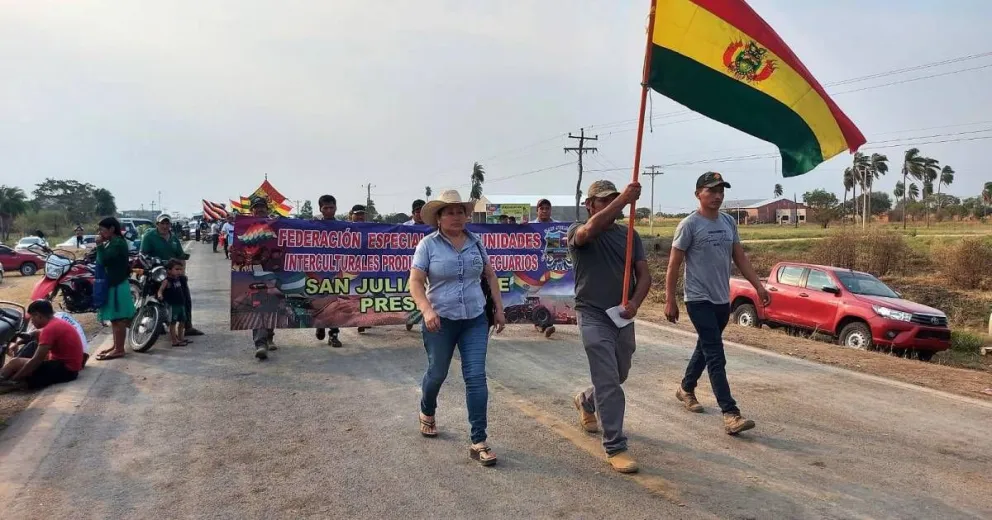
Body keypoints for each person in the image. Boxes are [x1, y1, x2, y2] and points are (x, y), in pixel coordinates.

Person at [666, 172, 769, 436]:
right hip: (697, 298)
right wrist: (670, 299)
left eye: (721, 190)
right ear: (698, 193)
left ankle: (686, 388)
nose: (717, 195)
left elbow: (740, 258)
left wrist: (758, 285)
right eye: (711, 191)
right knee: (715, 353)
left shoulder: (727, 223)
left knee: (705, 346)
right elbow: (674, 263)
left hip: (722, 299)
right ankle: (730, 413)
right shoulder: (689, 225)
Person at [409, 189, 506, 466]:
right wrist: (426, 310)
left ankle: (479, 441)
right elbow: (415, 282)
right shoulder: (428, 245)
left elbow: (490, 275)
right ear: (438, 218)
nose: (456, 216)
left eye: (460, 211)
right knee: (437, 373)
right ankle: (427, 410)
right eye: (449, 212)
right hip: (439, 320)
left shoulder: (476, 243)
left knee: (475, 376)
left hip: (475, 318)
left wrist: (498, 308)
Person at [567, 180, 651, 474]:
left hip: (622, 317)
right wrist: (625, 199)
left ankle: (586, 401)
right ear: (589, 205)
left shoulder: (630, 236)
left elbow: (644, 276)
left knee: (619, 374)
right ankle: (615, 446)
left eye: (614, 200)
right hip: (591, 315)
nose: (612, 206)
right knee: (608, 381)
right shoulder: (578, 231)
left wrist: (636, 303)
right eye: (604, 201)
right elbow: (589, 231)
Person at [0, 300, 84, 393]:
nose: (31, 321)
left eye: (32, 317)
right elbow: (36, 334)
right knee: (22, 366)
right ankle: (12, 381)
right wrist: (20, 340)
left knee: (14, 363)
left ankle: (10, 382)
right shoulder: (56, 322)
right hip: (71, 368)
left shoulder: (49, 329)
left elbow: (36, 360)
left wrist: (14, 380)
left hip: (66, 369)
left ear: (38, 315)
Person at [140, 214, 203, 336]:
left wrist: (182, 273)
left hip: (174, 275)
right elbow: (142, 255)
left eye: (167, 223)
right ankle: (155, 323)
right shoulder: (149, 236)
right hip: (157, 273)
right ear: (157, 224)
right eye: (162, 223)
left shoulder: (173, 238)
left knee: (184, 298)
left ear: (170, 225)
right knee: (153, 296)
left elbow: (181, 256)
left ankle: (188, 326)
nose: (164, 226)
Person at [92, 217, 136, 361]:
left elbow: (104, 260)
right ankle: (116, 346)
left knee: (118, 319)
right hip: (113, 283)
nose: (100, 233)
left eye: (102, 230)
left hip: (117, 284)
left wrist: (99, 245)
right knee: (114, 319)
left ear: (111, 229)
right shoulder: (113, 242)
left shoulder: (117, 243)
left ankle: (119, 349)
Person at [249, 198, 278, 360]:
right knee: (259, 307)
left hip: (275, 271)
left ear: (267, 209)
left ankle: (269, 336)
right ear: (251, 211)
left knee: (273, 305)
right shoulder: (244, 227)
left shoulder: (276, 224)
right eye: (256, 208)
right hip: (254, 273)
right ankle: (260, 343)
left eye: (262, 208)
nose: (259, 210)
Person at [314, 195, 343, 348]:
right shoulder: (313, 225)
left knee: (334, 303)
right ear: (320, 209)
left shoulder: (343, 227)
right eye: (325, 208)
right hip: (317, 270)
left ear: (336, 207)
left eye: (331, 207)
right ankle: (320, 324)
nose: (329, 210)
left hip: (336, 270)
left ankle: (334, 335)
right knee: (320, 300)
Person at [349, 205, 370, 334]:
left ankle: (362, 320)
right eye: (357, 214)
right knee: (351, 295)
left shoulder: (371, 228)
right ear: (351, 215)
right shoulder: (344, 228)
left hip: (367, 266)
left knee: (365, 294)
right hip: (348, 267)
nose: (360, 216)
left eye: (362, 214)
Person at [158, 259, 188, 347]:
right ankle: (174, 341)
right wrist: (160, 295)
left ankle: (181, 338)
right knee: (173, 323)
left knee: (182, 322)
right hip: (173, 305)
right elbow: (160, 290)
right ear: (169, 270)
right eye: (177, 269)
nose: (179, 271)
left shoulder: (179, 279)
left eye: (180, 269)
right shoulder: (167, 281)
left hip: (181, 304)